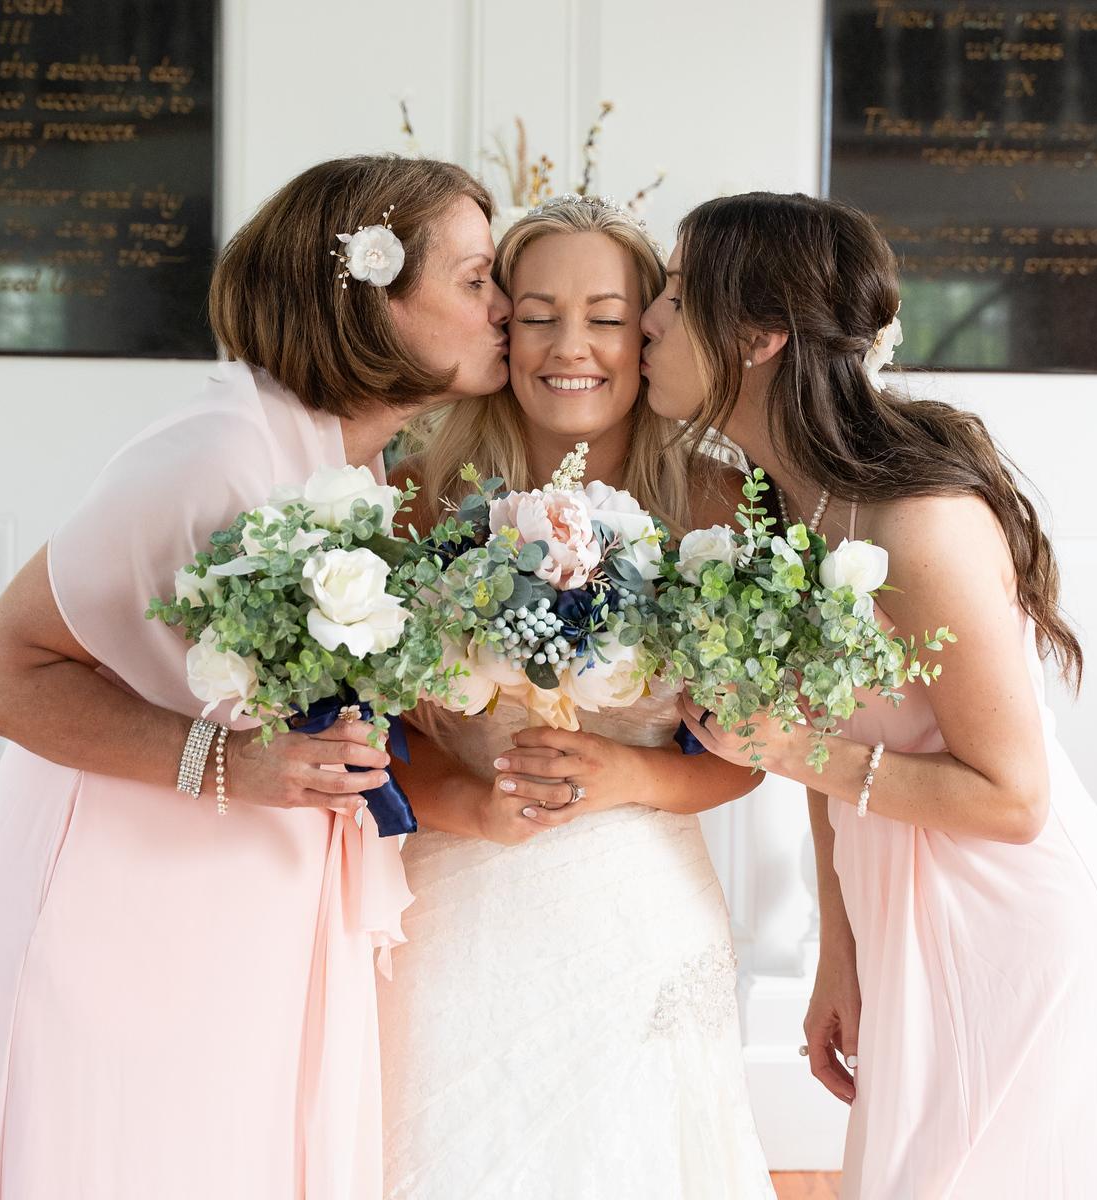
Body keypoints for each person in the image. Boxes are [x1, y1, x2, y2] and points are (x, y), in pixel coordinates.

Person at [0, 155, 512, 1200]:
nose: (503, 306)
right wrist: (228, 763)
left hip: (244, 903)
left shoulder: (354, 462)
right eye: (475, 280)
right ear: (370, 298)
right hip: (115, 915)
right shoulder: (215, 452)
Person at [647, 191, 1097, 1197]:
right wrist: (841, 951)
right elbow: (829, 749)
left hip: (1013, 925)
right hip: (898, 915)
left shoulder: (920, 523)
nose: (648, 319)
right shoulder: (779, 508)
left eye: (674, 292)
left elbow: (1013, 799)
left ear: (757, 337)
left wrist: (780, 747)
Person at [377, 194, 776, 1200]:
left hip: (638, 909)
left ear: (649, 333)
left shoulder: (717, 505)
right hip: (452, 908)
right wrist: (468, 804)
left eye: (604, 317)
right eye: (536, 316)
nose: (570, 347)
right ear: (500, 329)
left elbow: (750, 757)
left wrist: (629, 775)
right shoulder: (416, 494)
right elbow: (366, 736)